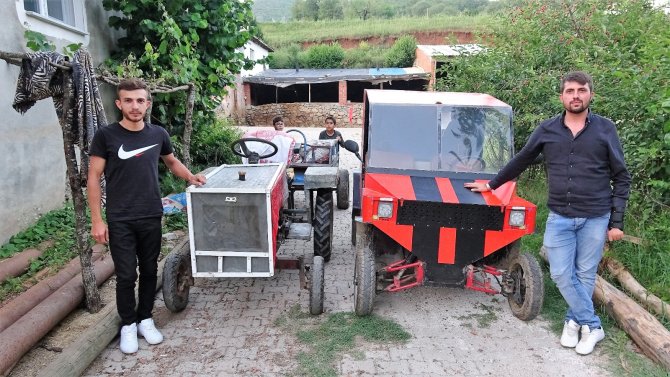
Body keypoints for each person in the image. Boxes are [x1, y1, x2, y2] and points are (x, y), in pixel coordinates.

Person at [465, 71, 631, 356]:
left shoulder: (605, 129)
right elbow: (522, 159)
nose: (575, 95)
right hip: (560, 217)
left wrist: (616, 221)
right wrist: (492, 184)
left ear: (591, 94)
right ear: (562, 96)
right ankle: (592, 324)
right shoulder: (547, 129)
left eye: (581, 90)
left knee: (585, 273)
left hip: (595, 216)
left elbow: (622, 176)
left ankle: (572, 321)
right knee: (560, 272)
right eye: (570, 91)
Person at [87, 78, 206, 354]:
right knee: (127, 274)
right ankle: (128, 325)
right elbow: (93, 177)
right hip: (120, 218)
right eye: (128, 100)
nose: (135, 106)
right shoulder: (106, 136)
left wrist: (191, 176)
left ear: (147, 103)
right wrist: (97, 219)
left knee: (151, 270)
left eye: (140, 100)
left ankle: (145, 319)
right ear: (119, 103)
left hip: (152, 214)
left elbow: (171, 161)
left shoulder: (157, 134)